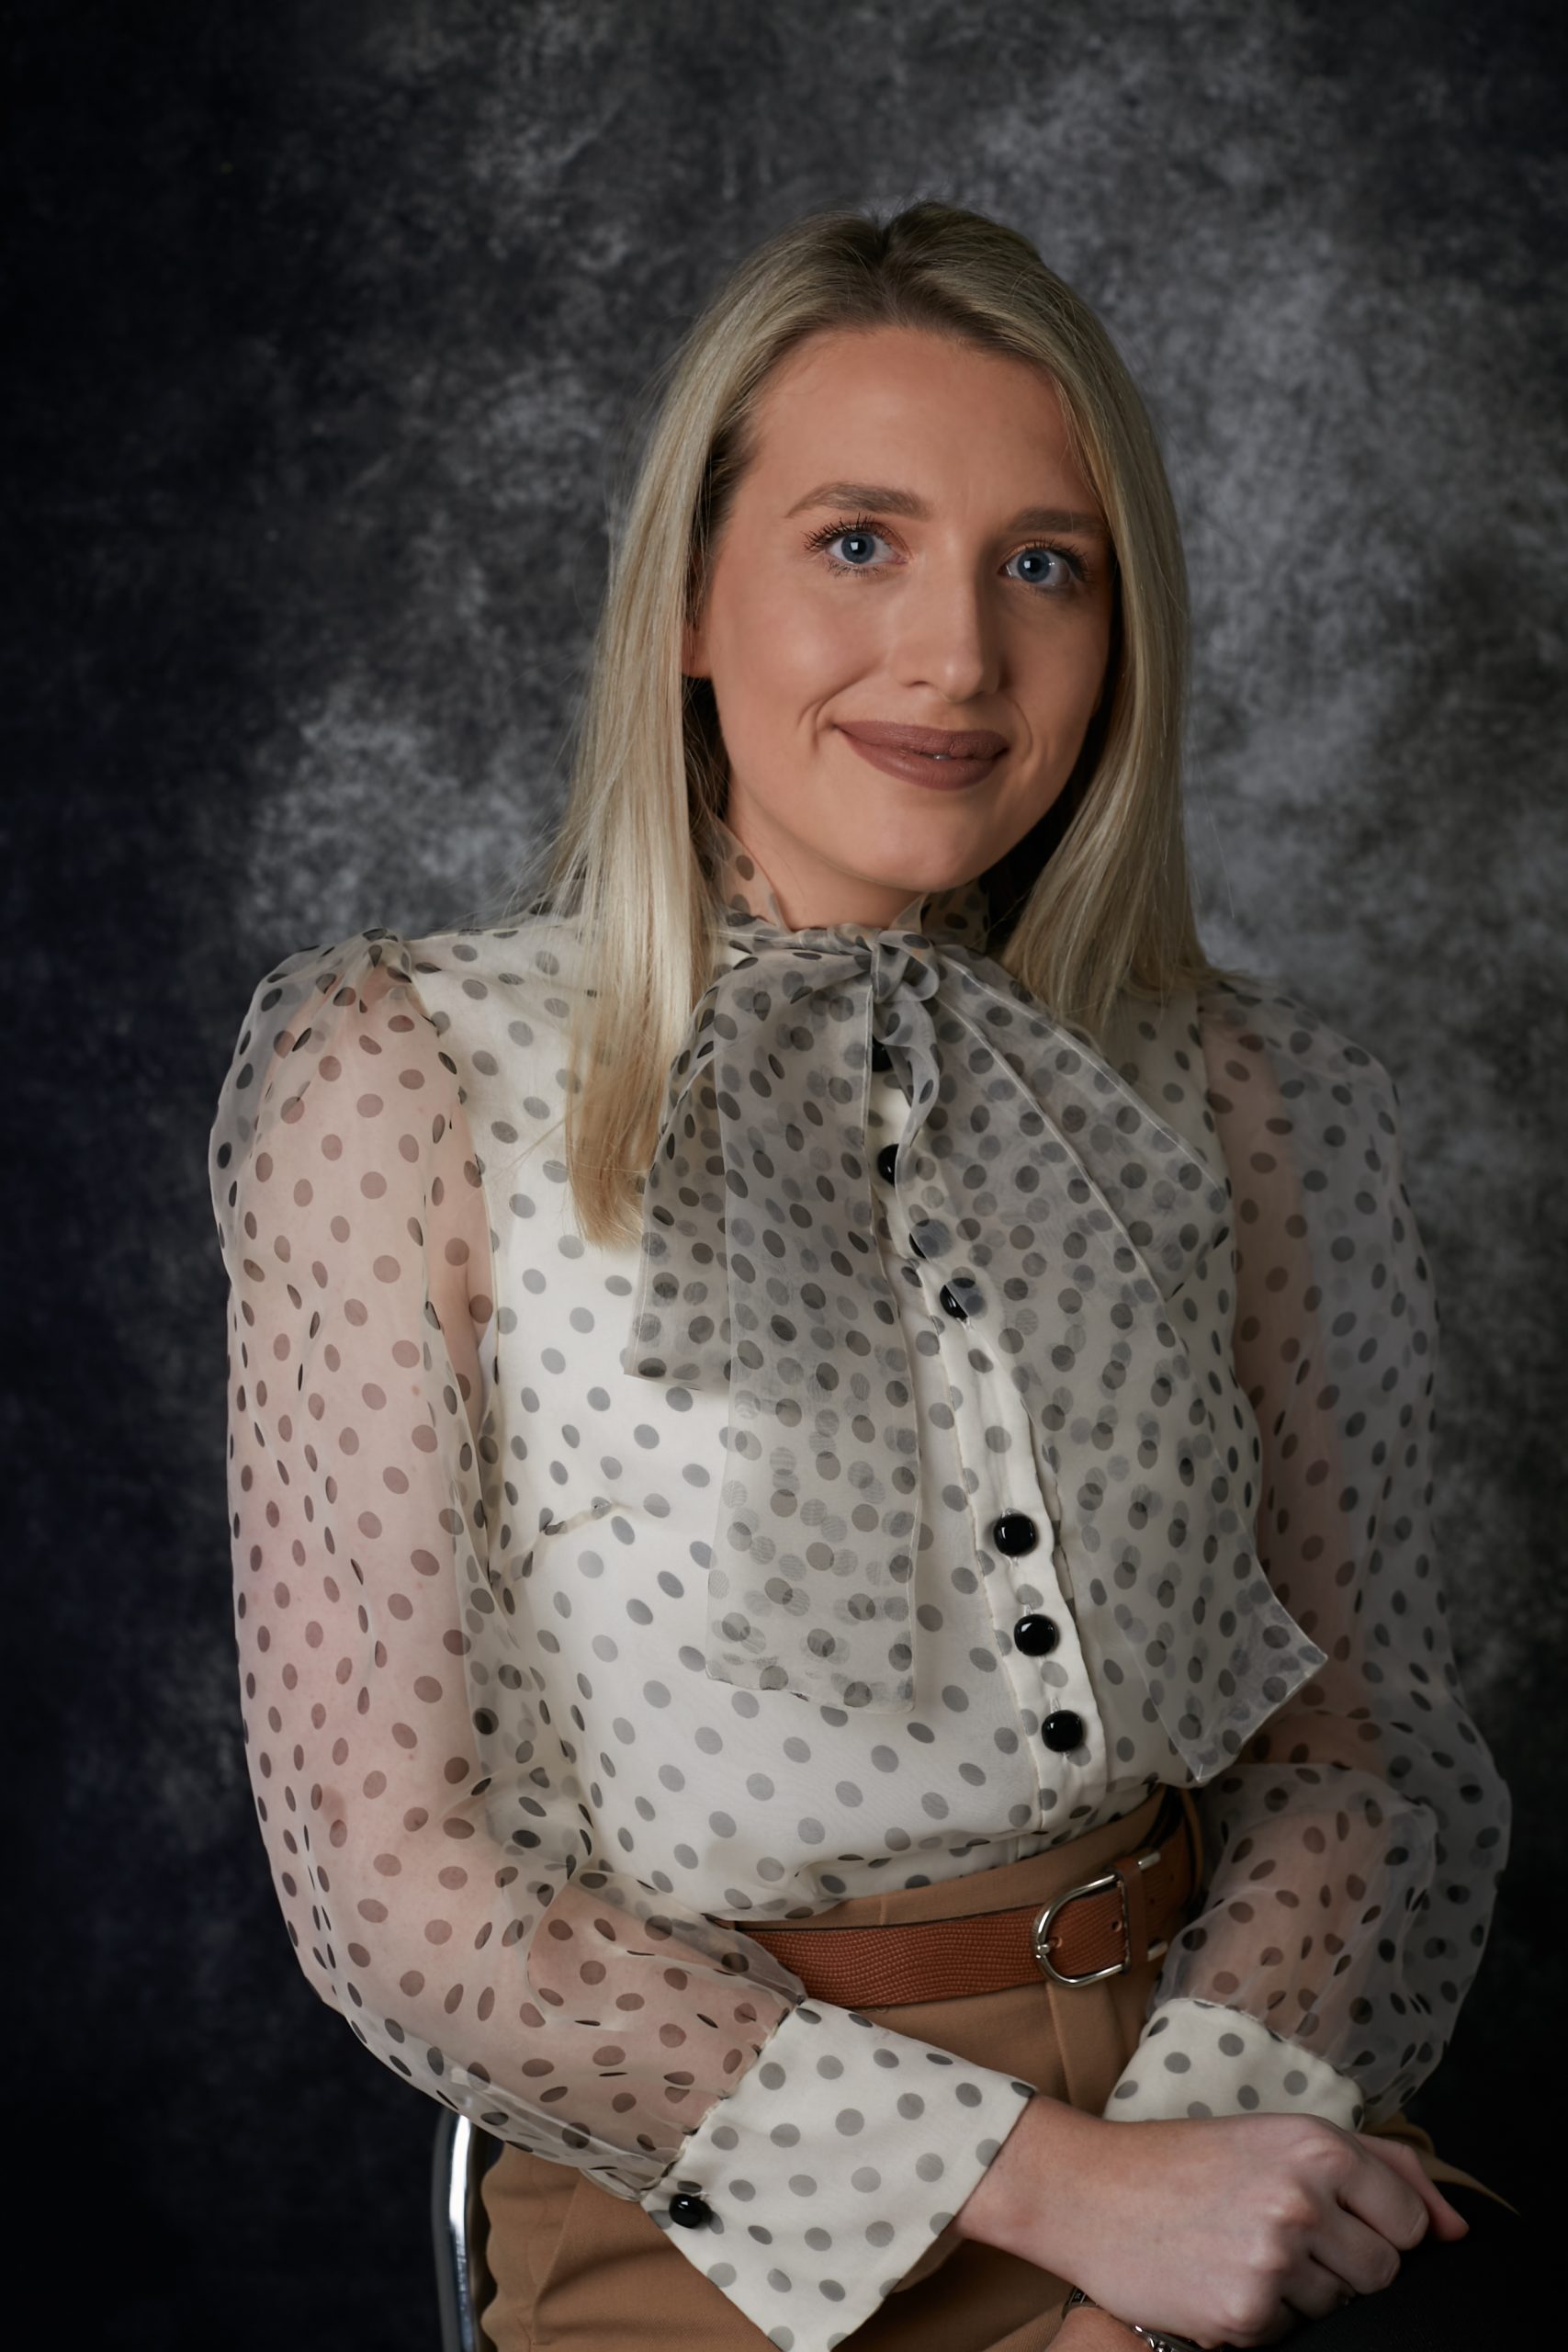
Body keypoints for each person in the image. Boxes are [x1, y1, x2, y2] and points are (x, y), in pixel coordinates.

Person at [208, 202, 1518, 2352]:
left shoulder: (1250, 1098)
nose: (956, 656)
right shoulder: (408, 1077)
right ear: (687, 600)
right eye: (853, 543)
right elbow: (399, 1879)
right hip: (706, 2196)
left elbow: (1358, 1761)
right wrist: (1059, 2191)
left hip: (1235, 2121)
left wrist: (1166, 2235)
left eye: (1042, 565)